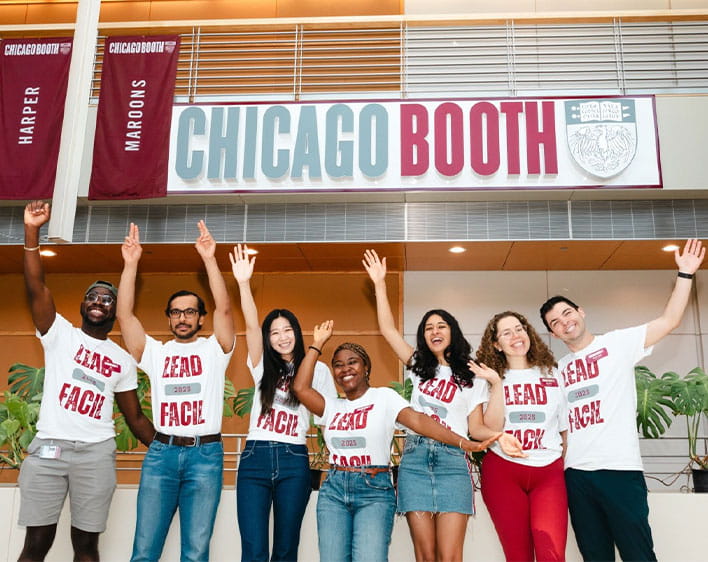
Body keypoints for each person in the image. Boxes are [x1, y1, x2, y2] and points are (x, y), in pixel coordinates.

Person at [539, 238, 705, 562]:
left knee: (638, 554)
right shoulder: (559, 370)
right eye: (555, 323)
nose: (564, 322)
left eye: (567, 313)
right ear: (554, 334)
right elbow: (559, 427)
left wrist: (685, 274)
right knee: (595, 555)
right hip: (576, 475)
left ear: (580, 312)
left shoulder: (617, 344)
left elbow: (669, 321)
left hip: (619, 470)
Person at [293, 320, 502, 562]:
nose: (345, 369)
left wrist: (464, 443)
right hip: (334, 490)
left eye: (352, 362)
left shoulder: (384, 398)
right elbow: (300, 388)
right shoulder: (332, 406)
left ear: (366, 367)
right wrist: (317, 345)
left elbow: (421, 422)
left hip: (373, 487)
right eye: (338, 366)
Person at [363, 249, 524, 562]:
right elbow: (388, 330)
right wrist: (380, 284)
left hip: (453, 463)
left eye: (441, 326)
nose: (434, 331)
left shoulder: (472, 374)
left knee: (450, 556)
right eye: (428, 328)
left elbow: (475, 426)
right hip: (415, 461)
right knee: (425, 556)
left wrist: (496, 433)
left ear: (453, 331)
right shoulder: (418, 366)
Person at [18, 201, 154, 562]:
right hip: (49, 448)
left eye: (107, 299)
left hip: (95, 453)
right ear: (82, 306)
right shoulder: (59, 333)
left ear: (113, 310)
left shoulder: (122, 359)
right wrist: (32, 231)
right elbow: (36, 286)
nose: (99, 302)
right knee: (35, 545)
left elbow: (135, 419)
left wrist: (173, 447)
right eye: (92, 297)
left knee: (87, 547)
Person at [118, 221, 236, 562]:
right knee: (144, 551)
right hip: (161, 455)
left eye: (190, 312)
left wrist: (211, 260)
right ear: (169, 319)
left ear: (201, 319)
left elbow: (226, 310)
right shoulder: (155, 353)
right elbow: (125, 316)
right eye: (175, 312)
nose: (182, 317)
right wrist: (130, 264)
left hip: (206, 456)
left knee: (196, 552)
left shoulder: (215, 350)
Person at [230, 244, 337, 562]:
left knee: (287, 549)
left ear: (297, 332)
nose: (281, 337)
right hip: (254, 456)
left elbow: (327, 416)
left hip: (294, 459)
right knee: (253, 550)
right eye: (274, 332)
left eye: (287, 329)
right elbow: (250, 325)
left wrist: (316, 350)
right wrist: (244, 283)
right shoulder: (262, 364)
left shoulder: (317, 369)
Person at [475, 311, 568, 562]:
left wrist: (562, 466)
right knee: (518, 557)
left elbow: (564, 429)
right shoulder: (488, 379)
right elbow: (491, 428)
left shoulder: (553, 374)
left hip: (548, 472)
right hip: (503, 472)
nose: (516, 336)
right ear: (496, 344)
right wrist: (497, 385)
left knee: (553, 555)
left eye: (519, 328)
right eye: (507, 333)